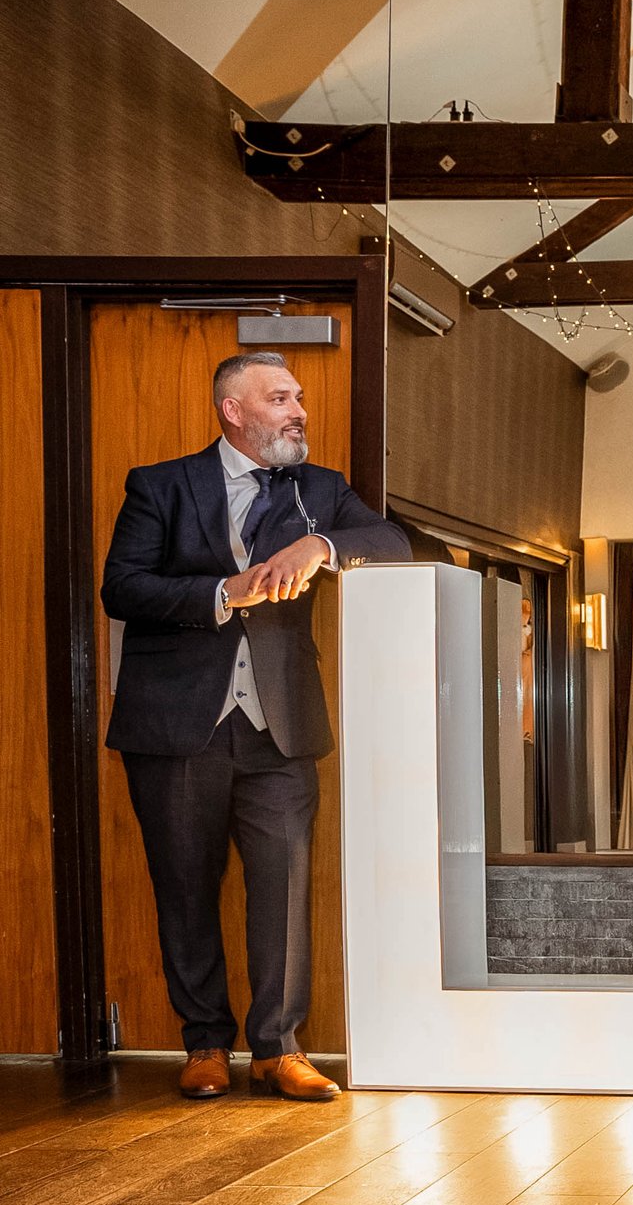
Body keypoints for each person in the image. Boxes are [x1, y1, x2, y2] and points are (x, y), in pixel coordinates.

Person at [101, 351, 411, 1101]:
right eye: (281, 398)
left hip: (280, 729)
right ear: (233, 410)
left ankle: (277, 1048)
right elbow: (123, 587)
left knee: (283, 889)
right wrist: (224, 591)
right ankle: (205, 1042)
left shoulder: (321, 491)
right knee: (183, 886)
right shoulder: (159, 485)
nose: (299, 410)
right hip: (176, 726)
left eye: (299, 398)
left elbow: (397, 544)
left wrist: (322, 546)